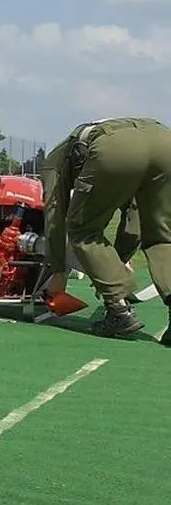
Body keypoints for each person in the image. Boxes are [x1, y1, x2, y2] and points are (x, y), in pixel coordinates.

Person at [37, 117, 171, 343]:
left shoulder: (54, 161)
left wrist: (57, 271)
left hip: (114, 146)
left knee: (82, 229)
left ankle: (119, 312)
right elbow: (134, 220)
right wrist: (113, 267)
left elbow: (54, 216)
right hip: (163, 139)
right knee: (161, 235)